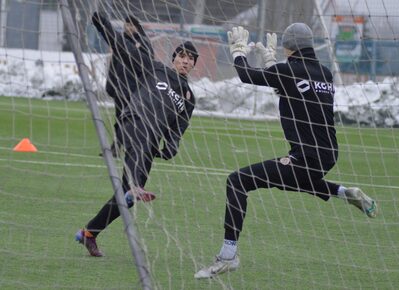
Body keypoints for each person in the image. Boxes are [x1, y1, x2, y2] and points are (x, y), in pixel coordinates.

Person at [194, 24, 378, 279]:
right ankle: (343, 192)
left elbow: (248, 75)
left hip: (306, 156)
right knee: (294, 180)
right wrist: (275, 64)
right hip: (328, 154)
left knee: (238, 181)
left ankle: (228, 255)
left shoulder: (287, 70)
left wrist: (237, 52)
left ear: (289, 45)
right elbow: (296, 90)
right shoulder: (325, 73)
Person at [76, 12, 199, 257]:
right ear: (174, 59)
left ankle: (89, 233)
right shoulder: (155, 69)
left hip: (149, 142)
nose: (185, 61)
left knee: (126, 197)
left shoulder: (189, 98)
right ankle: (135, 187)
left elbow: (178, 129)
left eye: (190, 59)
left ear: (194, 64)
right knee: (134, 187)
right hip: (133, 123)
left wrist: (171, 146)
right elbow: (122, 48)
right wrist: (102, 23)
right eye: (182, 56)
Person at [99, 14, 154, 157]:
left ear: (137, 27)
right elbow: (114, 66)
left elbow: (148, 67)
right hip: (120, 89)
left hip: (135, 90)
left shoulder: (144, 44)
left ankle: (121, 148)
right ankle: (117, 148)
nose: (128, 27)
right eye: (126, 24)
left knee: (128, 120)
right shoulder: (119, 41)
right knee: (120, 119)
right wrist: (111, 85)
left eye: (131, 25)